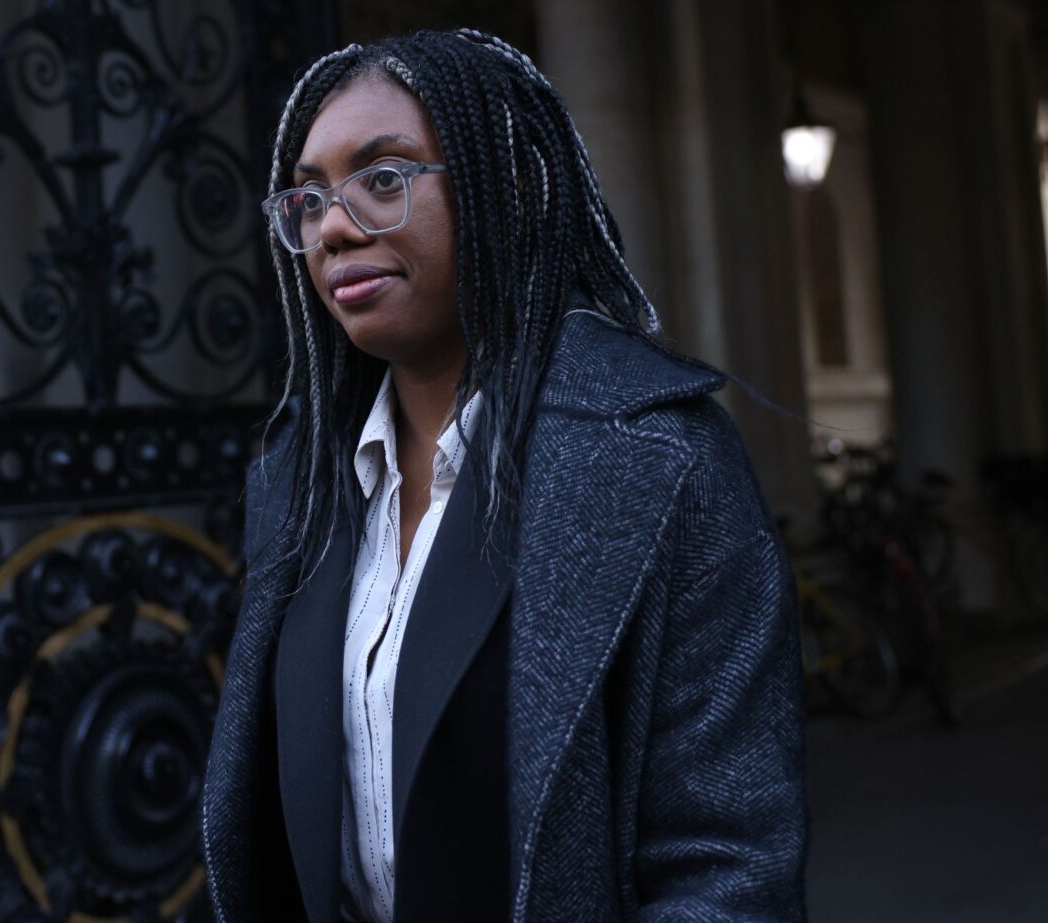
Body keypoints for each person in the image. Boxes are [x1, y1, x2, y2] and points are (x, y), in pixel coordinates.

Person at [201, 28, 807, 923]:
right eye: (310, 196)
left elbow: (729, 863)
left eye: (384, 177)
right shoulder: (299, 482)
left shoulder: (661, 460)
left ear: (507, 190)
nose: (332, 225)